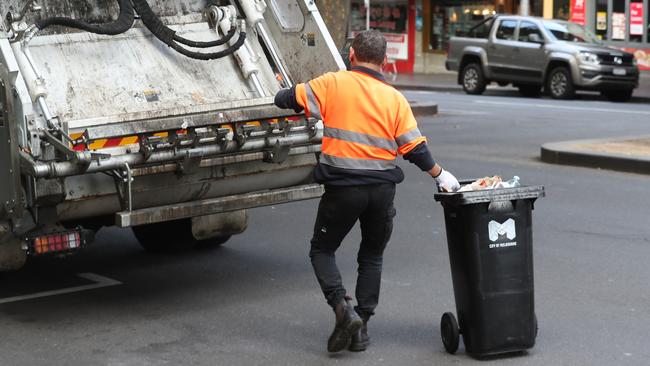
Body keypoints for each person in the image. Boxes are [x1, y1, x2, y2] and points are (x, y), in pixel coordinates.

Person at [274, 30, 460, 353]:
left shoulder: (331, 84)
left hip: (343, 189)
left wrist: (285, 86)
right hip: (381, 191)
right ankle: (361, 327)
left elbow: (285, 100)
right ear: (385, 62)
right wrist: (441, 175)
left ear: (352, 56)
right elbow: (415, 149)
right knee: (372, 255)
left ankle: (343, 310)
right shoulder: (395, 99)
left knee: (322, 249)